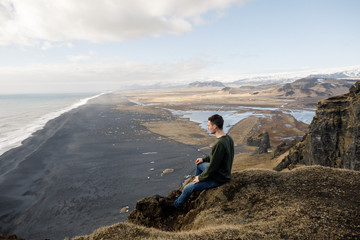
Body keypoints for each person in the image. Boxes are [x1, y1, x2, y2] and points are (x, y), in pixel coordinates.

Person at [159, 114, 234, 210]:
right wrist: (203, 159)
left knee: (187, 188)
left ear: (215, 126)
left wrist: (200, 178)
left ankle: (175, 205)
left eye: (209, 125)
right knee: (199, 164)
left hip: (219, 178)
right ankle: (195, 192)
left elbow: (213, 168)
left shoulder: (219, 143)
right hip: (223, 172)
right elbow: (215, 157)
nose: (207, 127)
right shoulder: (228, 138)